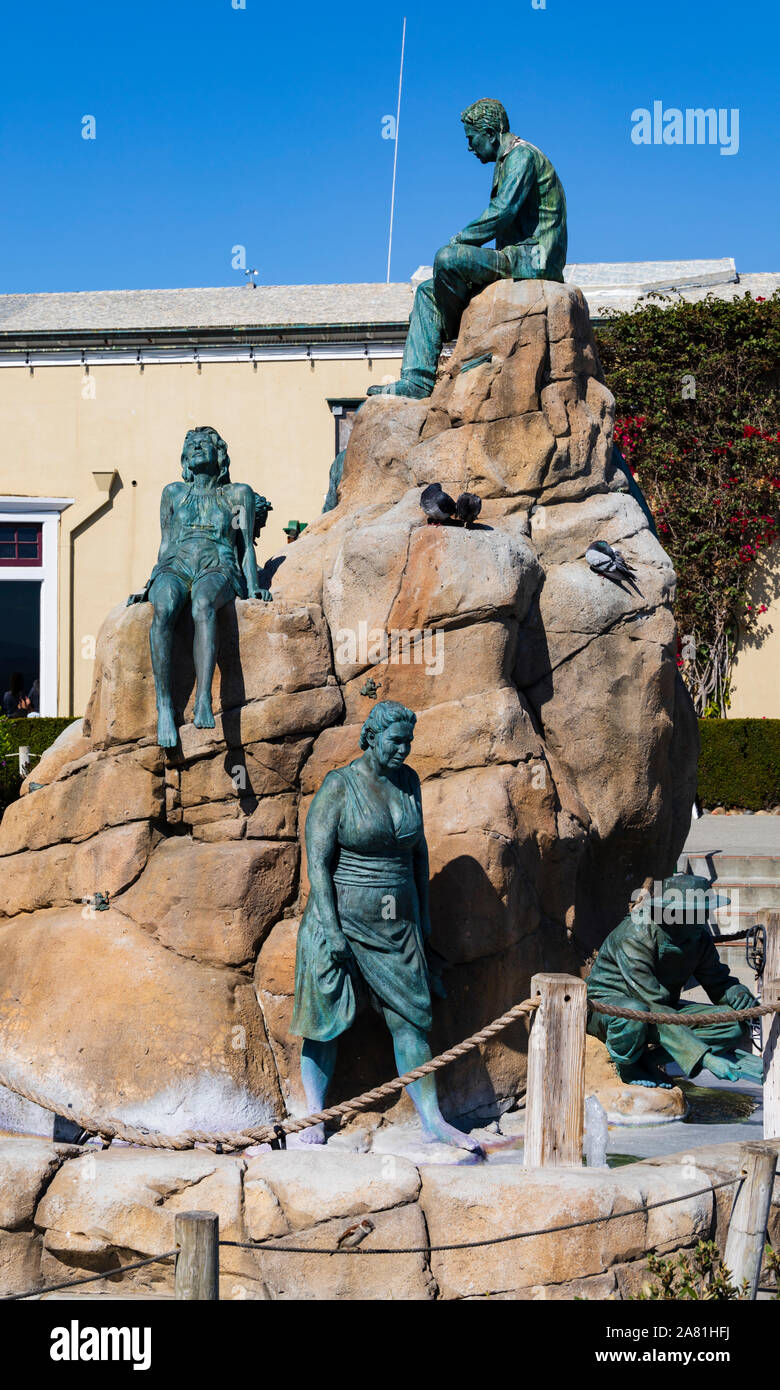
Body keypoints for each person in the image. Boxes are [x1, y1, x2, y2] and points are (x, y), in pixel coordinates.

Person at [291, 700, 481, 1152]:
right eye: (396, 741)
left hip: (398, 925)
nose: (404, 749)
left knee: (411, 1020)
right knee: (325, 1023)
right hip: (338, 919)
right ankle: (313, 1116)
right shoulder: (340, 785)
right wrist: (333, 929)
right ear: (372, 738)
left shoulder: (409, 782)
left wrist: (425, 917)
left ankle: (433, 1120)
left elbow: (418, 854)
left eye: (409, 742)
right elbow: (317, 859)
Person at [368, 97, 567, 399]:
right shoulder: (506, 160)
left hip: (531, 260)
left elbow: (503, 212)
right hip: (513, 258)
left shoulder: (521, 156)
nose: (469, 147)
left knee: (447, 258)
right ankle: (417, 381)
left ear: (490, 132)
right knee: (426, 291)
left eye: (471, 138)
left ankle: (456, 323)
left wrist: (459, 240)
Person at [127, 426, 272, 747]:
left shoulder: (237, 494)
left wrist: (253, 586)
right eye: (190, 444)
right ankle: (165, 707)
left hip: (218, 564)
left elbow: (245, 546)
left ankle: (204, 698)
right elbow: (165, 544)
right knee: (163, 608)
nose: (196, 448)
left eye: (204, 444)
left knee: (203, 604)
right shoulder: (173, 494)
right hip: (175, 564)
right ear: (183, 458)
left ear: (219, 455)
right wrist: (149, 583)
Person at [587, 874, 762, 1086]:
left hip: (661, 1010)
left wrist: (736, 992)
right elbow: (650, 1002)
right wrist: (706, 1059)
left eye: (705, 910)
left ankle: (648, 1060)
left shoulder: (698, 937)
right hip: (612, 1009)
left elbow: (718, 982)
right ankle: (628, 1066)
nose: (705, 917)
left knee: (734, 1023)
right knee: (632, 1014)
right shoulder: (635, 933)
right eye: (696, 912)